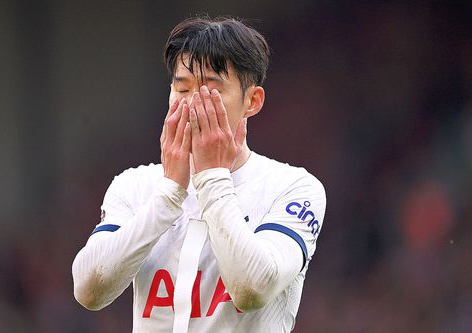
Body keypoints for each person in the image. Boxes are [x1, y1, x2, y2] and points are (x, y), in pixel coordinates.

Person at [72, 16, 326, 333]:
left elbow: (252, 289)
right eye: (182, 89)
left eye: (210, 91)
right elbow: (88, 291)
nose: (193, 104)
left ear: (252, 101)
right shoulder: (135, 185)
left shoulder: (293, 188)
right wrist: (168, 196)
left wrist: (211, 177)